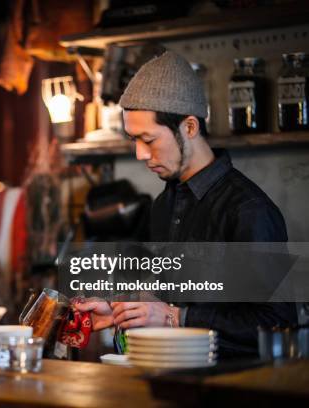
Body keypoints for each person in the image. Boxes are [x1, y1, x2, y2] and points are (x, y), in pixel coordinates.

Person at [76, 51, 297, 357]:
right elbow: (164, 299)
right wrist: (120, 308)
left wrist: (174, 318)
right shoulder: (164, 205)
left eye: (149, 140)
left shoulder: (248, 210)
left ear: (190, 128)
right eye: (134, 140)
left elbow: (276, 323)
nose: (140, 154)